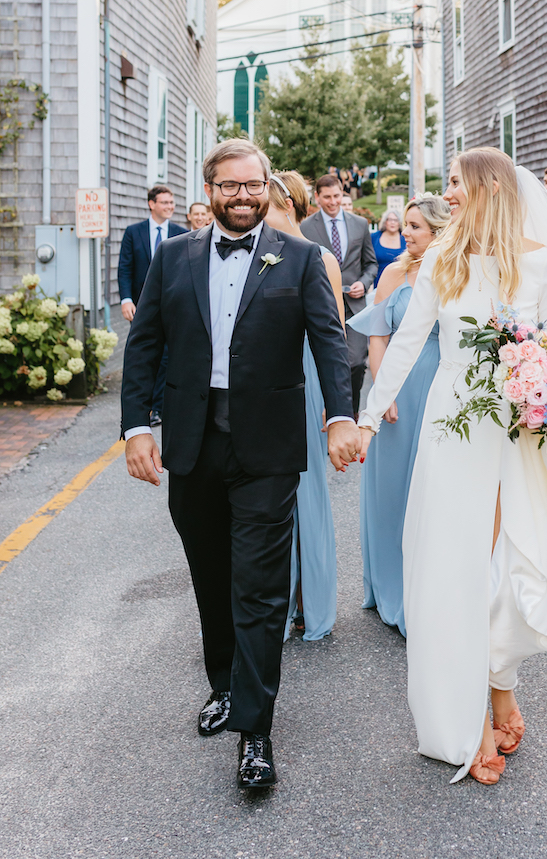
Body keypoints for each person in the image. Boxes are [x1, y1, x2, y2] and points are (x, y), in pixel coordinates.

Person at [356, 148, 547, 785]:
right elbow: (409, 341)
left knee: (511, 560)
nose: (451, 195)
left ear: (489, 188)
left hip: (518, 428)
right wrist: (367, 415)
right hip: (454, 421)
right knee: (451, 564)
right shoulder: (443, 257)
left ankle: (501, 686)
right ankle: (465, 727)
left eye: (458, 184)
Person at [121, 140, 361, 789]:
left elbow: (328, 342)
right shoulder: (173, 258)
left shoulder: (302, 259)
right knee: (212, 579)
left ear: (267, 188)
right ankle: (224, 686)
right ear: (210, 191)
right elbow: (145, 345)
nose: (243, 196)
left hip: (268, 450)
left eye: (253, 185)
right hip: (194, 448)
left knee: (257, 587)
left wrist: (341, 414)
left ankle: (255, 731)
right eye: (229, 187)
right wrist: (136, 426)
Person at [350, 193, 451, 635]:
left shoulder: (453, 272)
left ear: (437, 231)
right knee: (392, 487)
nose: (405, 233)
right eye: (405, 225)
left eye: (415, 227)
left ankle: (429, 589)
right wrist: (381, 391)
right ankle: (389, 585)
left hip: (441, 384)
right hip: (397, 386)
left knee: (429, 488)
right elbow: (378, 339)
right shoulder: (393, 273)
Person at [266, 170, 342, 642]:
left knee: (307, 493)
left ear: (288, 206)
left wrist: (334, 406)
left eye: (266, 210)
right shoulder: (260, 253)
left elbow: (330, 335)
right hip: (268, 379)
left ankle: (307, 599)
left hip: (308, 378)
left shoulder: (321, 257)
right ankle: (269, 596)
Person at [301, 175, 377, 417]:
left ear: (342, 193)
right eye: (327, 197)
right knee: (323, 361)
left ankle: (349, 412)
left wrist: (363, 284)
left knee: (354, 362)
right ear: (317, 198)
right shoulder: (305, 227)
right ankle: (326, 412)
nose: (333, 202)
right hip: (322, 304)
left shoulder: (360, 224)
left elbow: (371, 264)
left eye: (336, 196)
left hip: (354, 306)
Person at [118, 185, 187, 425]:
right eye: (165, 202)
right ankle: (137, 408)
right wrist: (126, 299)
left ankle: (158, 408)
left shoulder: (181, 232)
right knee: (142, 355)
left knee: (168, 357)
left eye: (172, 203)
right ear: (152, 204)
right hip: (141, 307)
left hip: (172, 305)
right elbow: (125, 268)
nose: (170, 207)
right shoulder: (133, 232)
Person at [371, 209, 406, 284]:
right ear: (385, 221)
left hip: (399, 282)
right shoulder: (374, 237)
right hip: (377, 281)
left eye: (395, 220)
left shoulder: (405, 239)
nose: (392, 222)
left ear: (399, 223)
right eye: (390, 219)